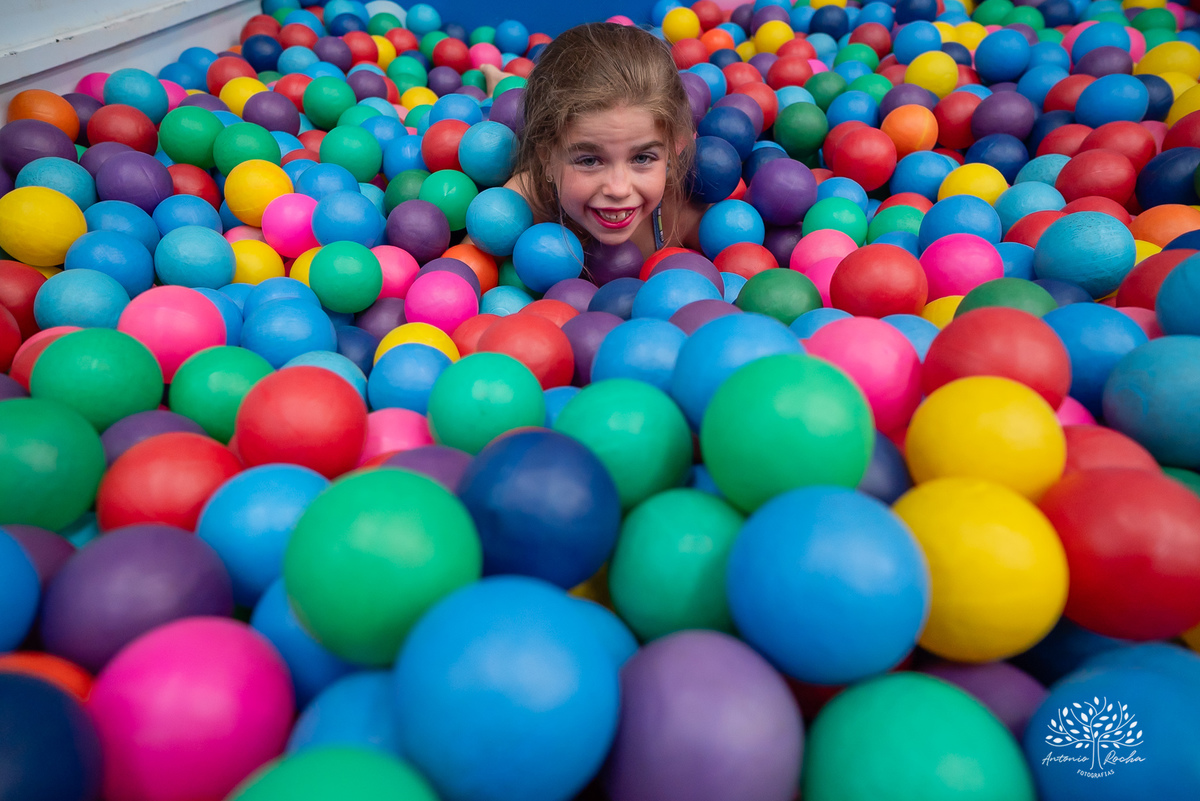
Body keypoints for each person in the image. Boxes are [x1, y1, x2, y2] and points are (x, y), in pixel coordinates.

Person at [480, 23, 706, 259]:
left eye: (642, 158)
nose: (618, 189)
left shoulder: (679, 211)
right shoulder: (521, 205)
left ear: (672, 151)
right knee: (506, 117)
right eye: (589, 161)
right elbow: (456, 280)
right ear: (546, 158)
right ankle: (500, 85)